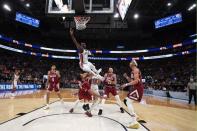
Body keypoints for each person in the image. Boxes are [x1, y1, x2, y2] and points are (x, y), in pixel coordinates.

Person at [121, 60, 144, 129]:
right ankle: (135, 118)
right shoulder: (132, 71)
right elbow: (132, 81)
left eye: (130, 63)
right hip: (135, 88)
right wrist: (126, 77)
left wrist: (126, 84)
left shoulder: (136, 70)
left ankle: (134, 122)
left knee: (128, 102)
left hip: (138, 88)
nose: (129, 64)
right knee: (126, 101)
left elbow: (136, 81)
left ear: (133, 64)